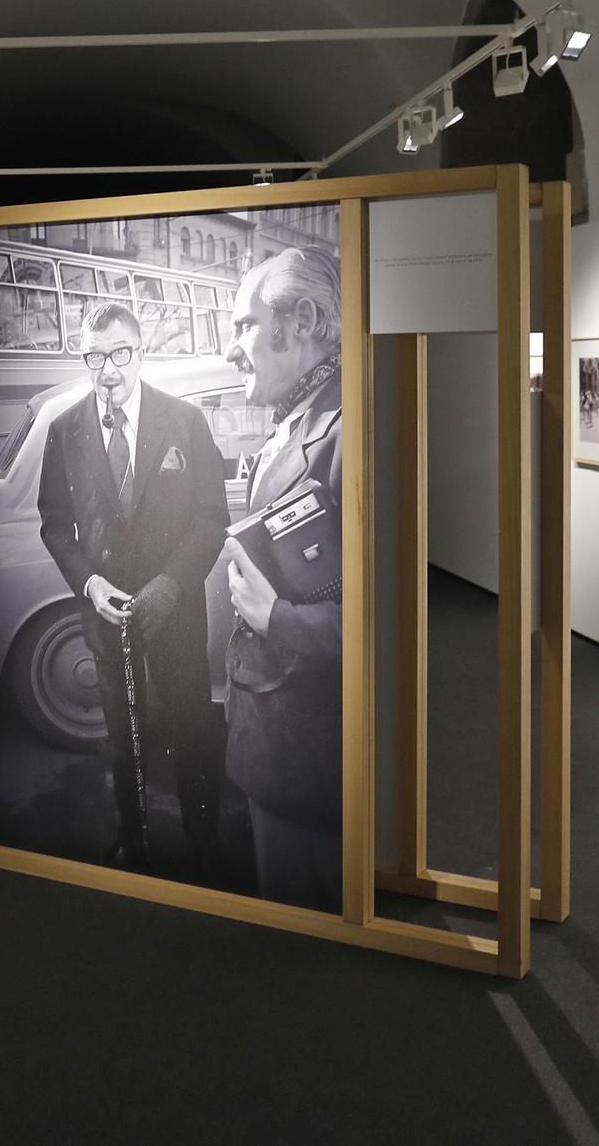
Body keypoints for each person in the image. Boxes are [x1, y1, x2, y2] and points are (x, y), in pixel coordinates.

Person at [36, 301, 229, 878]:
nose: (108, 371)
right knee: (122, 732)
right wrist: (89, 584)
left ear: (140, 352)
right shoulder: (65, 428)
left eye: (119, 354)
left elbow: (211, 517)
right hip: (105, 613)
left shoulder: (185, 421)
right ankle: (132, 839)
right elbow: (54, 521)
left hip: (176, 608)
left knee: (192, 725)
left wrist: (171, 584)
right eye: (94, 357)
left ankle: (203, 841)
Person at [221, 245, 346, 912]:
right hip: (276, 730)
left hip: (309, 746)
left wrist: (279, 619)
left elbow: (386, 618)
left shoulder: (349, 431)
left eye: (244, 324)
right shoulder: (300, 419)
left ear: (301, 320)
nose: (231, 347)